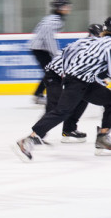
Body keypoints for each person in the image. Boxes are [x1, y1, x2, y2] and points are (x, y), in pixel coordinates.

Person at [13, 17, 111, 161]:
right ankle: (28, 140)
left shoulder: (98, 41)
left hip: (83, 80)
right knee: (62, 111)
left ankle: (102, 138)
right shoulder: (108, 44)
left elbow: (70, 55)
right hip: (78, 81)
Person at [40, 23, 103, 144]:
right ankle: (37, 135)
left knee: (83, 98)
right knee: (57, 106)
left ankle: (69, 130)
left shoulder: (90, 44)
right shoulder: (90, 45)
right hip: (55, 75)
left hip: (68, 75)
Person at [28, 0, 72, 105]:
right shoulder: (54, 21)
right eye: (66, 6)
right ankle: (39, 95)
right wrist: (55, 53)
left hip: (40, 48)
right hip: (40, 49)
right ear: (60, 8)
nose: (69, 8)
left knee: (50, 71)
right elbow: (48, 38)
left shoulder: (53, 19)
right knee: (51, 72)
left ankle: (38, 95)